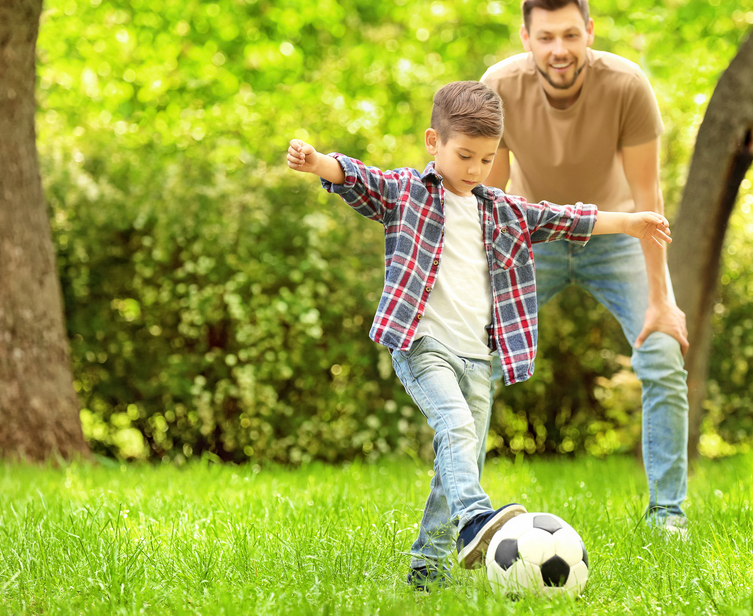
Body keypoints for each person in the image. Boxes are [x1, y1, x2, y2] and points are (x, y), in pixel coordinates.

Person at [285, 80, 673, 588]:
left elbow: (563, 218)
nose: (474, 169)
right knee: (455, 427)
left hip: (477, 358)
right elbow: (359, 177)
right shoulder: (407, 193)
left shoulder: (502, 211)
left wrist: (630, 222)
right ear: (433, 142)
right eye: (465, 155)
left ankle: (426, 570)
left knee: (460, 455)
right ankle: (476, 517)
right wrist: (317, 162)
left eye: (486, 160)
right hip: (423, 344)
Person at [479, 0, 691, 533]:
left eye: (571, 35)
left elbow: (649, 199)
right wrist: (477, 298)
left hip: (617, 233)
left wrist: (661, 300)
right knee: (473, 358)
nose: (559, 50)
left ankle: (667, 514)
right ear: (526, 37)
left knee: (664, 356)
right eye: (546, 37)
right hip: (534, 236)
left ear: (590, 32)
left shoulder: (625, 85)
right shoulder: (497, 86)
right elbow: (488, 201)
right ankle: (468, 515)